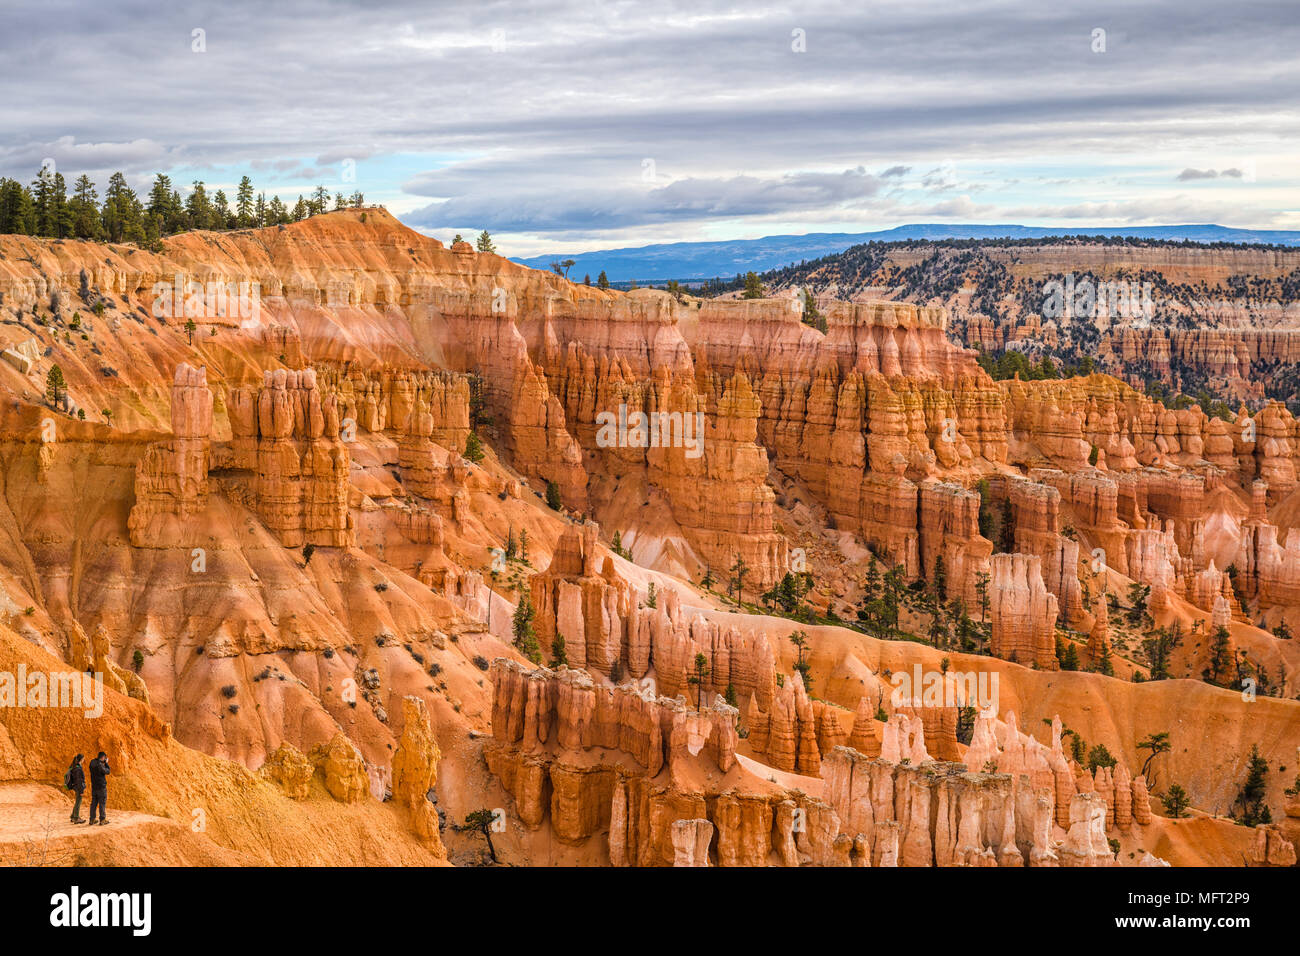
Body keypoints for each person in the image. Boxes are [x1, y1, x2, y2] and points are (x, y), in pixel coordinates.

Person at [88, 751, 110, 825]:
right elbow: (107, 771)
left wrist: (102, 763)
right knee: (102, 803)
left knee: (94, 803)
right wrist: (106, 763)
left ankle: (92, 819)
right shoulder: (100, 765)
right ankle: (102, 819)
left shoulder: (92, 762)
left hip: (94, 786)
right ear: (103, 757)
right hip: (101, 787)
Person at [64, 754, 86, 823]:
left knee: (77, 801)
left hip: (75, 787)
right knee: (78, 802)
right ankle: (76, 818)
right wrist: (81, 790)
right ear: (81, 759)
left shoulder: (74, 767)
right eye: (83, 759)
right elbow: (79, 780)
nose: (84, 760)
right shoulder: (78, 769)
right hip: (78, 787)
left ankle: (73, 816)